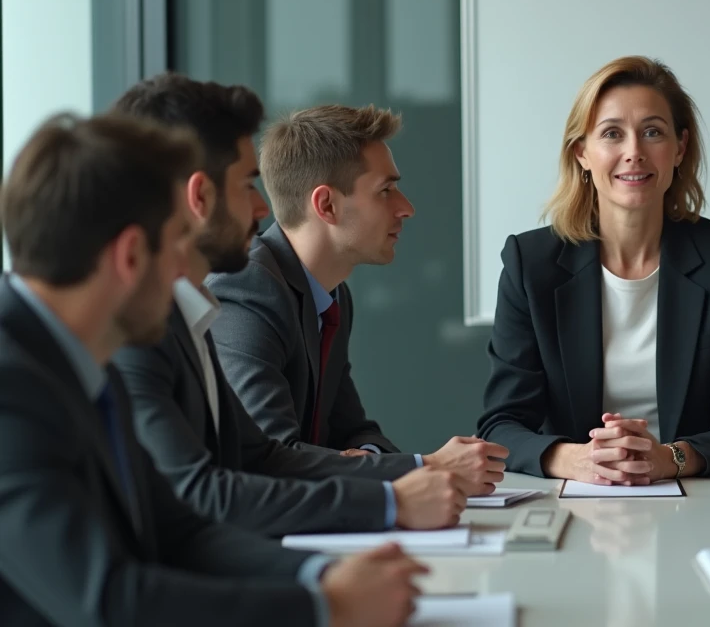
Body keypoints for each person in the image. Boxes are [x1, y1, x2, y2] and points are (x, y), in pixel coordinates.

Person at [0, 113, 423, 627]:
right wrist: (323, 606)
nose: (189, 273)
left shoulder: (91, 362)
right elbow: (107, 599)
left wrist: (321, 576)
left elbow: (180, 532)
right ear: (132, 255)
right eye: (180, 239)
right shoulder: (13, 388)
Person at [109, 73, 468, 535]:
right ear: (327, 206)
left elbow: (303, 443)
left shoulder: (328, 296)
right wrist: (406, 483)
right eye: (246, 185)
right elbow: (237, 478)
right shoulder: (237, 291)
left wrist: (391, 476)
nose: (262, 209)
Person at [477, 55, 710, 482]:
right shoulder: (531, 263)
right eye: (612, 134)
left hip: (690, 497)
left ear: (680, 148)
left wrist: (667, 458)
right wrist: (577, 460)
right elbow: (501, 423)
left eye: (653, 132)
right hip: (573, 496)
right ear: (582, 152)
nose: (634, 152)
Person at [207, 104, 505, 494]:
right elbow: (270, 458)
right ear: (326, 205)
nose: (406, 208)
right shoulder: (248, 288)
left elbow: (353, 430)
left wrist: (361, 457)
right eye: (385, 190)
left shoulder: (331, 298)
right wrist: (425, 465)